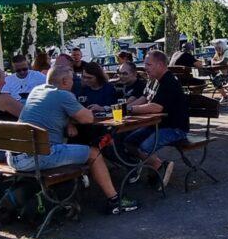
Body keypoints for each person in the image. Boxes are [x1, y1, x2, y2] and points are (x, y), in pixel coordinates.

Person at [15, 65, 137, 215]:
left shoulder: (36, 91)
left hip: (16, 155)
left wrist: (69, 122)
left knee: (76, 146)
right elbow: (87, 118)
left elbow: (51, 111)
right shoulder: (63, 95)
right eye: (73, 79)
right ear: (65, 81)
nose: (75, 83)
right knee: (94, 153)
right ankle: (114, 200)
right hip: (38, 156)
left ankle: (73, 195)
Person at [123, 51, 190, 191]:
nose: (145, 67)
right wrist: (125, 108)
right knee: (129, 142)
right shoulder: (153, 79)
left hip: (175, 127)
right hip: (157, 124)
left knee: (143, 147)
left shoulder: (169, 81)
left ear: (160, 65)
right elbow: (144, 98)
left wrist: (130, 110)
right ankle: (158, 165)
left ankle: (158, 166)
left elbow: (156, 107)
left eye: (148, 64)